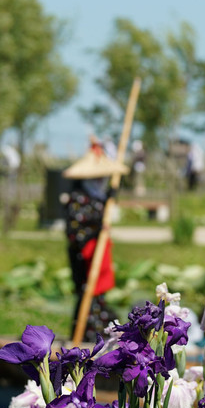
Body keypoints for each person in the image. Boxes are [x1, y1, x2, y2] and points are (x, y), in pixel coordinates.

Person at [61, 138, 129, 342]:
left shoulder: (99, 197)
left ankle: (102, 336)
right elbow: (75, 231)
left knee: (98, 299)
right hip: (84, 256)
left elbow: (105, 206)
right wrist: (97, 228)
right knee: (86, 296)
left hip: (98, 254)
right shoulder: (78, 198)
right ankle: (85, 338)